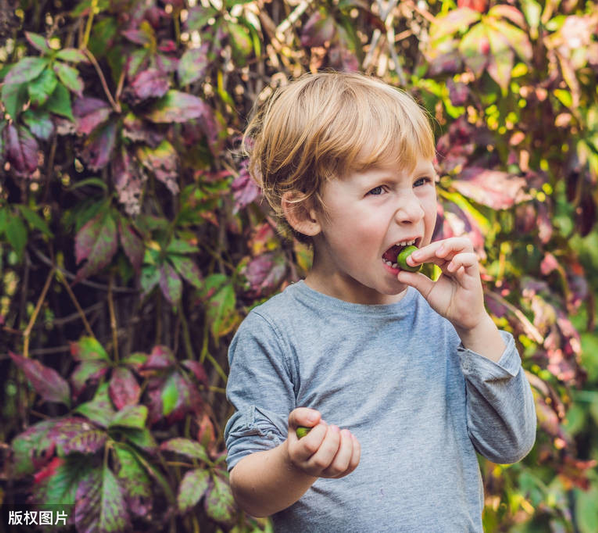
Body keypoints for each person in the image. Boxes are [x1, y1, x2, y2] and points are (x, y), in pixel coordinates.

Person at [224, 71, 537, 532]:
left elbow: (510, 444)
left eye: (423, 181)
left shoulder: (444, 318)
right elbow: (249, 491)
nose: (413, 210)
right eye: (379, 189)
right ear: (307, 213)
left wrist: (475, 326)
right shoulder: (276, 334)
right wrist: (296, 464)